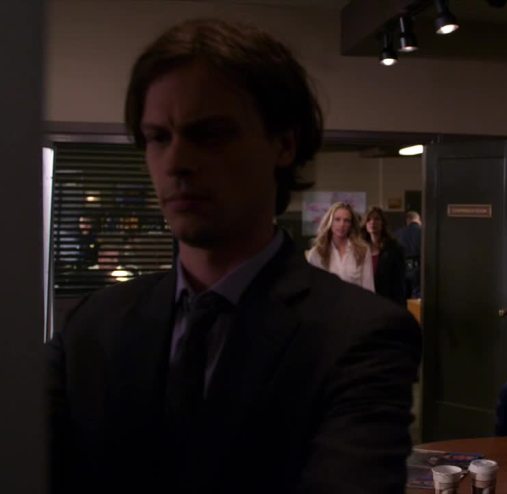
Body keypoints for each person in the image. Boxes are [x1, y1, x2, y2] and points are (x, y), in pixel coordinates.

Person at [47, 18, 421, 494]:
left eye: (210, 134)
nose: (176, 162)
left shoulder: (359, 336)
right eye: (158, 137)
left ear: (283, 143)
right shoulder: (94, 324)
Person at [307, 202, 374, 291]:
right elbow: (312, 289)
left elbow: (369, 288)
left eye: (346, 221)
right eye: (337, 219)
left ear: (351, 225)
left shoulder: (362, 250)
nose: (342, 224)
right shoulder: (317, 253)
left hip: (354, 299)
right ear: (330, 222)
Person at [361, 206, 406, 305]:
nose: (372, 222)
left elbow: (399, 284)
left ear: (383, 223)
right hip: (365, 300)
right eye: (369, 219)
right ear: (365, 224)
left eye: (377, 219)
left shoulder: (394, 249)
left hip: (386, 301)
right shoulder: (360, 248)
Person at [395, 210, 422, 298]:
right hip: (419, 267)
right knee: (417, 295)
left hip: (403, 266)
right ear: (418, 219)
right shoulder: (423, 232)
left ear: (407, 220)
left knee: (403, 294)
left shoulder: (398, 233)